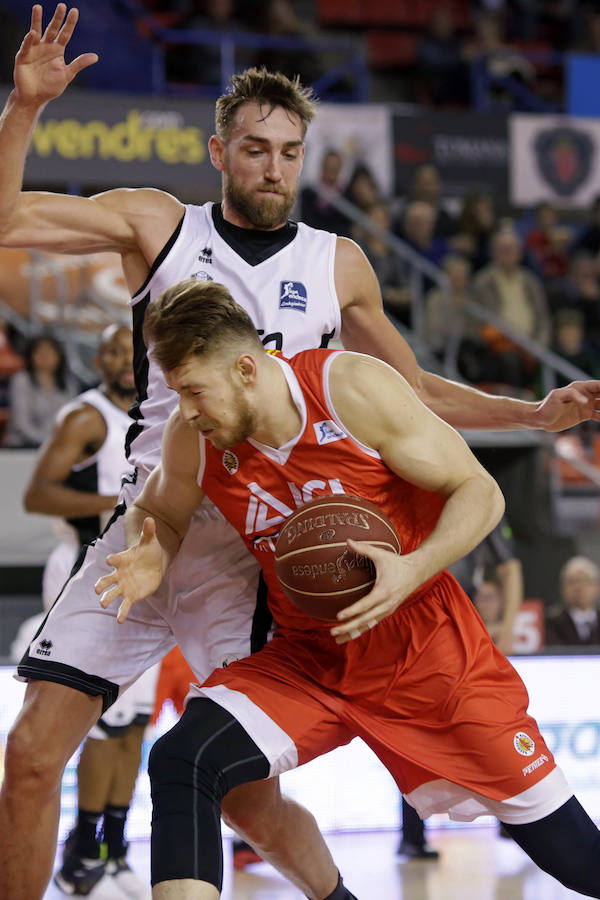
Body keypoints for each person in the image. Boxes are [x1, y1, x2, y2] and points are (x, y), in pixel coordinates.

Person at [2, 7, 600, 900]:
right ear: (219, 153)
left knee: (240, 795)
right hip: (150, 517)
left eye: (288, 152)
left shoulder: (337, 263)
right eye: (254, 149)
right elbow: (7, 222)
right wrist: (23, 109)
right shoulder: (157, 225)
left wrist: (534, 413)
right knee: (30, 750)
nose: (273, 167)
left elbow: (418, 393)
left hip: (255, 547)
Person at [97, 278, 600, 899]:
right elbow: (164, 512)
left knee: (578, 859)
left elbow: (481, 493)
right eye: (178, 393)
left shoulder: (349, 390)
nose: (189, 410)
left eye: (196, 391)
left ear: (249, 368)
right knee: (182, 761)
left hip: (428, 655)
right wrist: (155, 552)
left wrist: (415, 567)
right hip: (310, 658)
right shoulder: (191, 438)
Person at [12, 324, 154, 898]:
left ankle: (113, 848)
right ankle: (81, 850)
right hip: (83, 568)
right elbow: (37, 494)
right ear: (97, 358)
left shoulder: (159, 411)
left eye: (133, 350)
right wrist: (121, 505)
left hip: (139, 577)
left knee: (134, 722)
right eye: (115, 350)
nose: (125, 360)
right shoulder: (86, 416)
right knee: (96, 720)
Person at [3, 332, 77, 447]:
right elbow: (21, 422)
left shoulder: (68, 383)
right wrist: (45, 442)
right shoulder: (21, 380)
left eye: (50, 352)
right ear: (31, 356)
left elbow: (69, 418)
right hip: (23, 445)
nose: (45, 357)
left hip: (57, 444)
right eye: (40, 352)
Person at [546, 556, 600, 646]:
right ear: (562, 589)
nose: (579, 588)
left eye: (586, 580)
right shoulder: (549, 623)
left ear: (597, 587)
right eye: (572, 582)